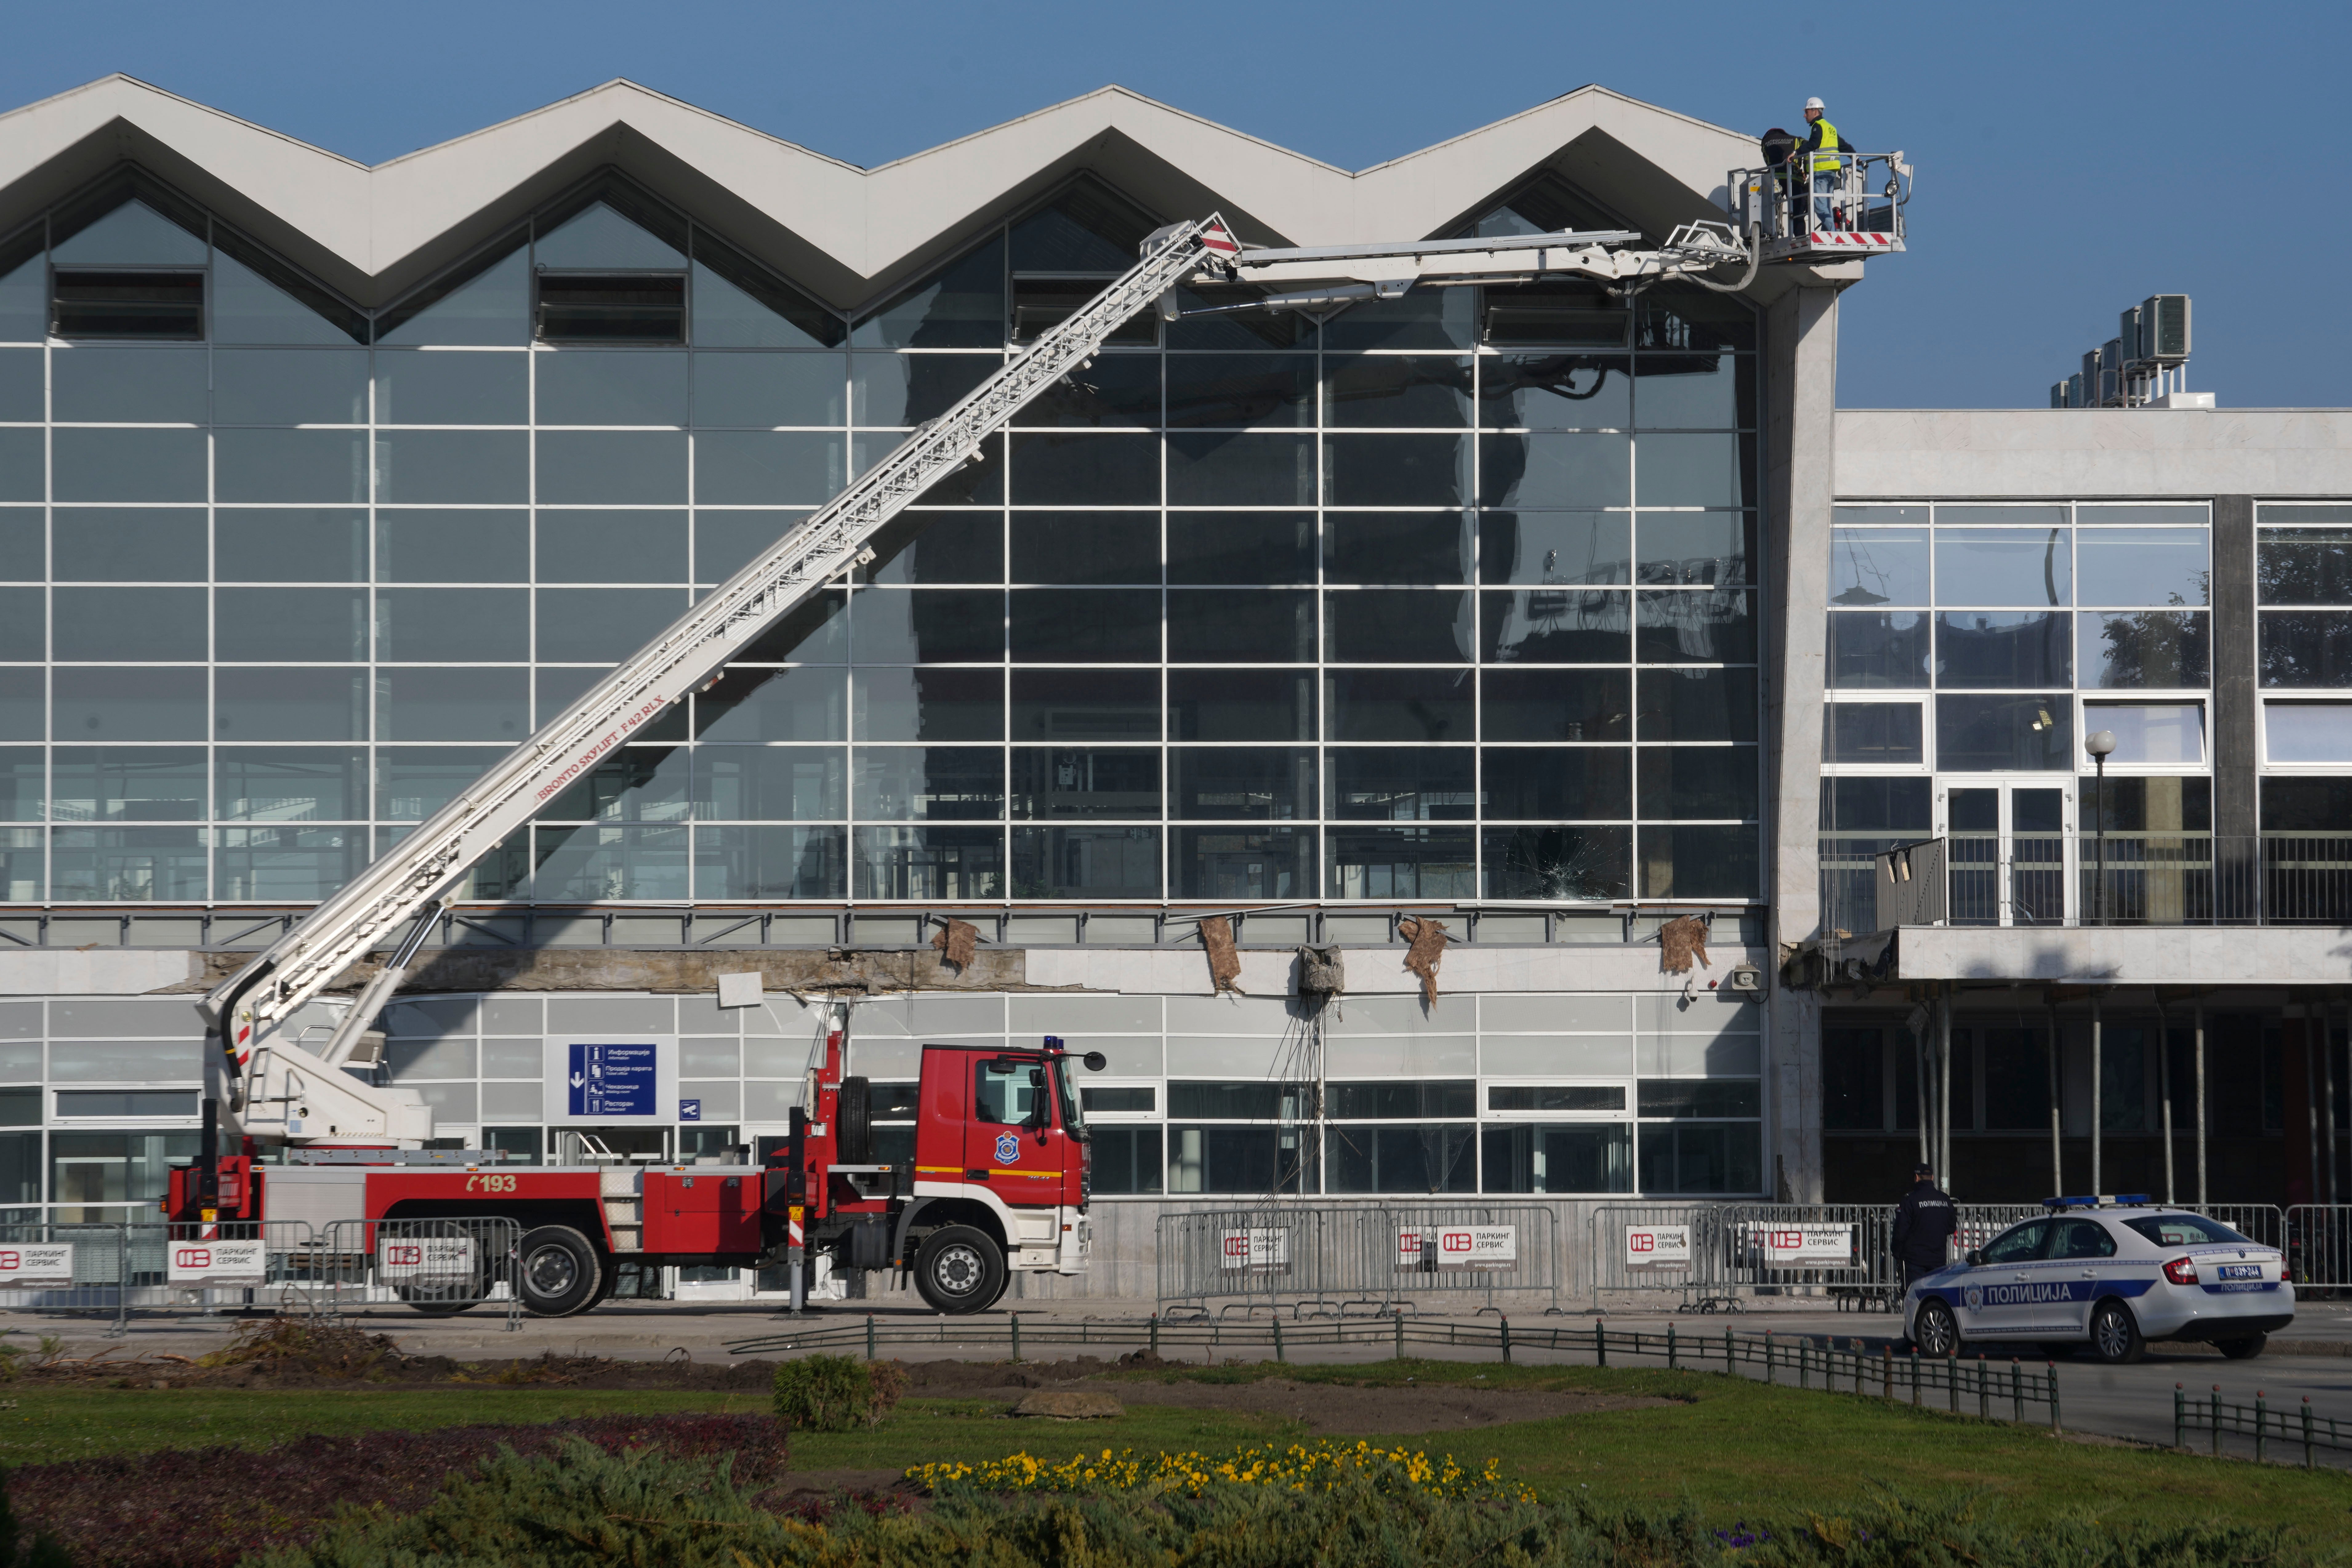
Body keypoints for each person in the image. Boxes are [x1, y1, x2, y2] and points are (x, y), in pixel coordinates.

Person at [1889, 1162, 1956, 1289]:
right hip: (1938, 1259)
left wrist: (1896, 1252)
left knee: (1915, 1297)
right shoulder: (1945, 1200)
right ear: (1932, 1178)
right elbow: (1952, 1228)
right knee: (1936, 1297)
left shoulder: (1910, 1200)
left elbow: (1901, 1230)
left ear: (1916, 1178)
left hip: (1915, 1260)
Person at [1794, 98, 1851, 233]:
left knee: (1820, 206)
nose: (1804, 115)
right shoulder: (1830, 128)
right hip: (1831, 173)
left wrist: (1796, 152)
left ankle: (1834, 235)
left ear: (1815, 111)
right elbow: (1843, 145)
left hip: (1821, 173)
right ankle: (1831, 233)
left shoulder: (1818, 126)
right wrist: (1856, 157)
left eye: (1807, 111)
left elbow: (1813, 144)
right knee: (1825, 206)